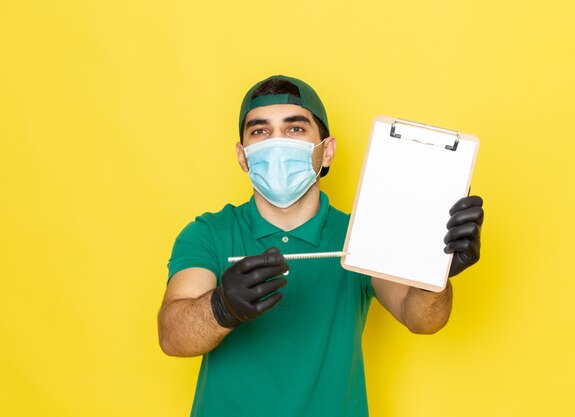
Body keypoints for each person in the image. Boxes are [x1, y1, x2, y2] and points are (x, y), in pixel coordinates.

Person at [158, 75, 484, 417]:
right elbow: (172, 336)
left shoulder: (361, 233)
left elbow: (422, 319)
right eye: (260, 131)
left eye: (295, 129)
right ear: (243, 156)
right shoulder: (209, 233)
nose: (277, 142)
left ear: (326, 150)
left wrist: (434, 269)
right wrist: (221, 307)